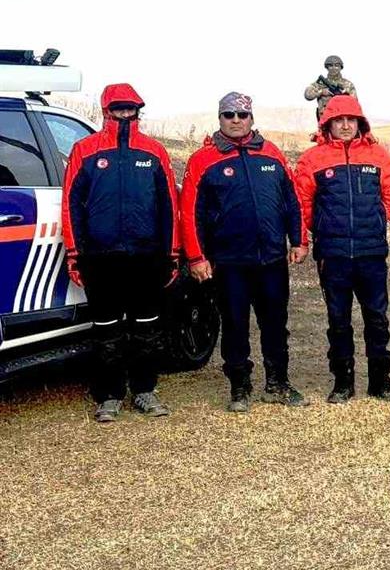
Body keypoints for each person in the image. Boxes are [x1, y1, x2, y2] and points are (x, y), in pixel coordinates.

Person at [180, 92, 309, 413]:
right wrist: (196, 257)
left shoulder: (272, 154)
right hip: (228, 262)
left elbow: (292, 200)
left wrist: (299, 240)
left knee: (275, 324)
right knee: (235, 323)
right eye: (228, 115)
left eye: (241, 114)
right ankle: (240, 387)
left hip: (271, 259)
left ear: (252, 118)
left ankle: (277, 383)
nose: (235, 120)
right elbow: (190, 213)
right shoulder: (202, 160)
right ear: (220, 118)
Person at [61, 83, 179, 422]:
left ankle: (144, 390)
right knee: (106, 329)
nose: (126, 113)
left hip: (146, 256)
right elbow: (71, 206)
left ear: (138, 109)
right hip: (100, 256)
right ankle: (109, 395)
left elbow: (169, 205)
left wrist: (171, 253)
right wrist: (74, 253)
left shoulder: (154, 151)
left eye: (131, 108)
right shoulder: (84, 149)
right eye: (119, 108)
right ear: (106, 110)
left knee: (147, 327)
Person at [294, 94, 390, 403]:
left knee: (377, 318)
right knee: (338, 320)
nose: (344, 125)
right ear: (327, 123)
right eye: (338, 120)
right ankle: (343, 381)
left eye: (350, 120)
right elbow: (302, 203)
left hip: (371, 251)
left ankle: (381, 380)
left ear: (359, 123)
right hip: (333, 253)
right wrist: (316, 231)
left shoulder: (378, 155)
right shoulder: (312, 159)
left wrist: (377, 217)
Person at [303, 55, 357, 119]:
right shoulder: (321, 84)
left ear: (341, 67)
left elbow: (355, 103)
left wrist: (346, 95)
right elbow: (307, 95)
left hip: (342, 118)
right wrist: (321, 92)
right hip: (325, 118)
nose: (334, 68)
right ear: (327, 67)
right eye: (330, 66)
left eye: (336, 65)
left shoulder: (348, 84)